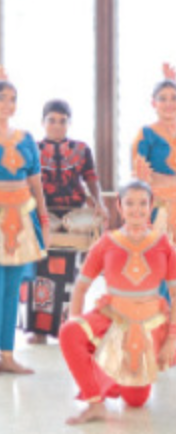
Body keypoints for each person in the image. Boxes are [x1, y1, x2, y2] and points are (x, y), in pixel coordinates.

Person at [58, 181, 176, 424]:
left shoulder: (164, 244)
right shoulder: (106, 242)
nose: (137, 210)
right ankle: (95, 403)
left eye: (143, 203)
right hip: (112, 318)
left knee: (135, 401)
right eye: (130, 203)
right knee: (69, 331)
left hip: (148, 325)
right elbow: (80, 288)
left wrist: (171, 339)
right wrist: (77, 326)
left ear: (151, 206)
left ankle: (114, 372)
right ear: (119, 206)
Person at [27, 100, 104, 344]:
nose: (57, 125)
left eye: (62, 121)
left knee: (70, 277)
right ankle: (39, 331)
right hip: (43, 217)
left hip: (74, 219)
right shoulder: (31, 148)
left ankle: (66, 329)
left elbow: (91, 179)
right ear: (43, 122)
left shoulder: (82, 149)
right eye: (52, 120)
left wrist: (99, 203)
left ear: (69, 123)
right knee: (41, 276)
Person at [132, 68, 176, 306]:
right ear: (153, 103)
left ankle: (175, 319)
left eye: (174, 98)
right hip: (156, 209)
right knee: (156, 267)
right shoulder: (145, 134)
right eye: (162, 98)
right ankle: (155, 318)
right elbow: (138, 182)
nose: (169, 103)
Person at [0, 73, 49, 374]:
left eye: (12, 99)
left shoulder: (26, 138)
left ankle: (7, 355)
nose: (8, 104)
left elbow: (36, 183)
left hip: (21, 218)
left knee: (12, 288)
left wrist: (44, 220)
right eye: (2, 98)